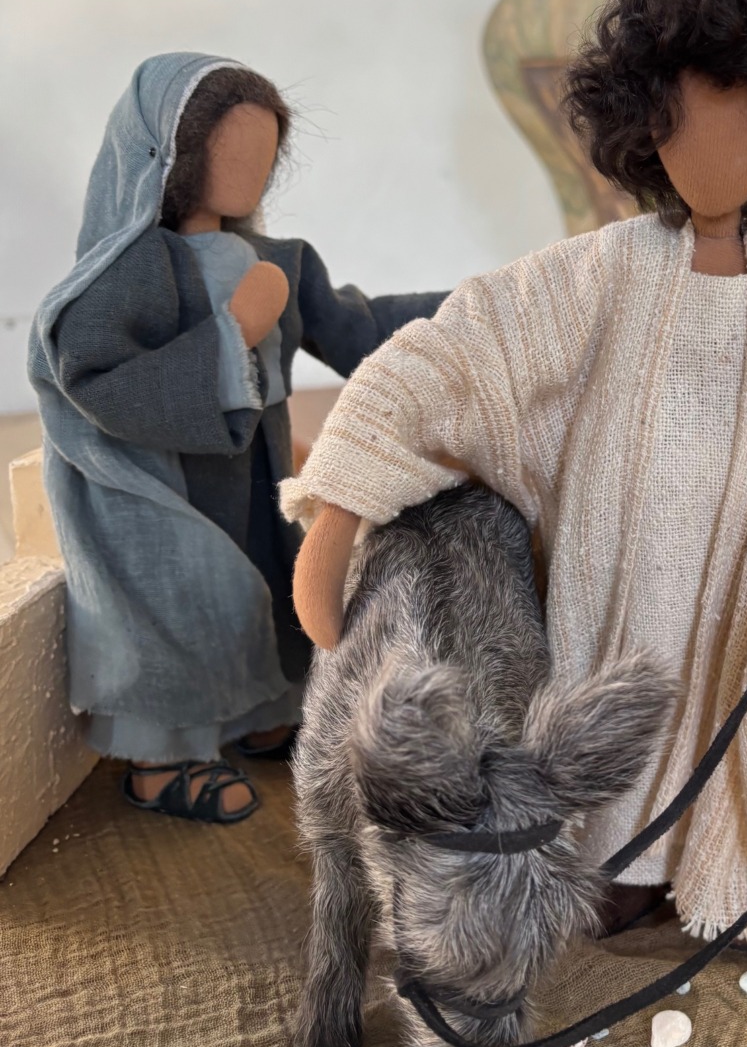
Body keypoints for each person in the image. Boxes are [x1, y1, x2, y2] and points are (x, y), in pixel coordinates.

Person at [282, 0, 747, 972]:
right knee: (614, 712)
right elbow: (460, 351)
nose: (708, 154)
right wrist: (343, 500)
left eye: (739, 125)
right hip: (616, 576)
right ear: (638, 126)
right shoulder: (603, 270)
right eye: (676, 124)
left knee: (746, 706)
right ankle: (615, 859)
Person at [29, 55, 447, 823]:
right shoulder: (128, 275)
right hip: (169, 485)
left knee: (272, 587)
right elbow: (91, 379)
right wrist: (234, 335)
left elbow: (359, 327)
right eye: (231, 154)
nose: (250, 175)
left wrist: (472, 308)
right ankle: (163, 760)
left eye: (263, 155)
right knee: (187, 601)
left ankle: (263, 715)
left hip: (257, 473)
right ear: (170, 157)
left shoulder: (277, 259)